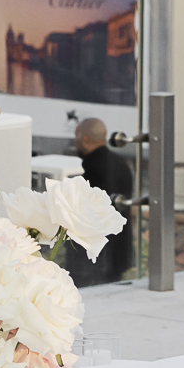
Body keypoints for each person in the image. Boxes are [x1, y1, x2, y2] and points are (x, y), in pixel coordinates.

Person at [68, 116, 133, 286]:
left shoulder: (93, 169)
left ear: (85, 139)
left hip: (96, 258)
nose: (75, 142)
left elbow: (83, 211)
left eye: (76, 137)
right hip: (118, 253)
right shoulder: (121, 164)